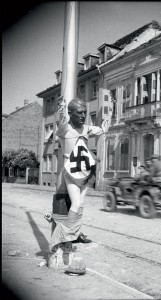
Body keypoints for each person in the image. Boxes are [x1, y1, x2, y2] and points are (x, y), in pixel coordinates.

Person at [49, 97, 110, 252]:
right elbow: (61, 119)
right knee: (75, 203)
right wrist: (61, 109)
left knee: (80, 205)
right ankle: (62, 236)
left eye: (85, 112)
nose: (83, 116)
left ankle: (75, 233)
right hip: (70, 171)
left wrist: (105, 126)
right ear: (71, 114)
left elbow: (99, 130)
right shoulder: (65, 129)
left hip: (84, 171)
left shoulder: (86, 128)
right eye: (79, 113)